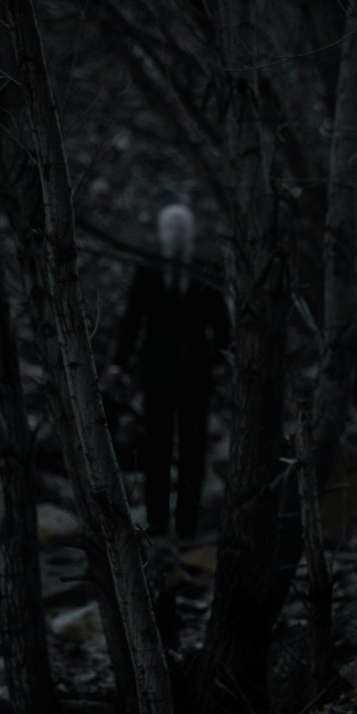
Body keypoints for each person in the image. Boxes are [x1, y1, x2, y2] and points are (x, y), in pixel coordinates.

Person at [114, 204, 230, 540]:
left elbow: (220, 320)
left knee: (193, 449)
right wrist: (118, 363)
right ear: (164, 233)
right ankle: (158, 522)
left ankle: (187, 524)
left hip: (196, 372)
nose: (177, 236)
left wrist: (224, 357)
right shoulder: (149, 268)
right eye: (171, 230)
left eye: (181, 230)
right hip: (157, 373)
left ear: (189, 233)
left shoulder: (205, 268)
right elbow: (132, 320)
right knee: (157, 448)